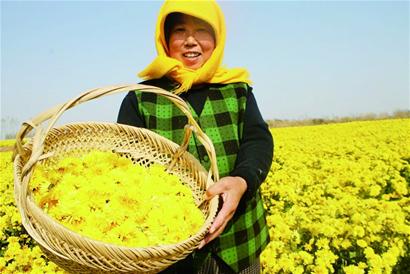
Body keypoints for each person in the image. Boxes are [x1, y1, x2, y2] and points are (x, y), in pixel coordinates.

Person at [117, 0, 273, 273]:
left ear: (217, 38)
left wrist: (242, 179)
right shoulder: (141, 98)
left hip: (239, 244)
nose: (191, 41)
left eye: (202, 30)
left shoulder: (237, 90)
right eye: (180, 31)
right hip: (171, 252)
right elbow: (126, 166)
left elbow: (257, 140)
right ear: (165, 40)